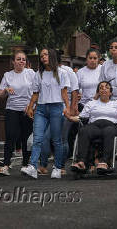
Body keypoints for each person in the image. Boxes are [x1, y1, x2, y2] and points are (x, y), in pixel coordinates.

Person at [21, 49, 70, 179]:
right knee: (38, 139)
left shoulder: (62, 73)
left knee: (57, 140)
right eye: (41, 55)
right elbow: (35, 93)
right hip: (41, 109)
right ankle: (32, 166)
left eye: (46, 54)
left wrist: (68, 108)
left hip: (56, 107)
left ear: (52, 56)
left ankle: (58, 168)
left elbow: (64, 93)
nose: (43, 57)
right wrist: (30, 107)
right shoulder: (39, 74)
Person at [69, 81, 117, 173]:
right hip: (94, 125)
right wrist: (69, 117)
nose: (104, 89)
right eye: (101, 87)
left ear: (111, 92)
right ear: (98, 92)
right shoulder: (91, 103)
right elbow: (81, 118)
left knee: (109, 131)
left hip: (111, 126)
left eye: (106, 87)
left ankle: (104, 162)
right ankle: (81, 162)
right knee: (84, 130)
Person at [39, 50, 79, 176]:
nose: (45, 58)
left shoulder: (67, 71)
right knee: (45, 137)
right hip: (48, 109)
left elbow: (74, 91)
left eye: (48, 55)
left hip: (64, 110)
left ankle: (61, 166)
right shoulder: (45, 72)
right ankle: (43, 165)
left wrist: (72, 108)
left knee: (62, 138)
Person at [0, 51, 35, 176]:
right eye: (19, 59)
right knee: (10, 136)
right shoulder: (7, 75)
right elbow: (0, 95)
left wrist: (31, 106)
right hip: (12, 109)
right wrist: (6, 89)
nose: (21, 61)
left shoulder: (30, 73)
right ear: (13, 61)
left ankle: (25, 164)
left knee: (26, 138)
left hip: (27, 110)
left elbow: (37, 91)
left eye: (23, 59)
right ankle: (6, 165)